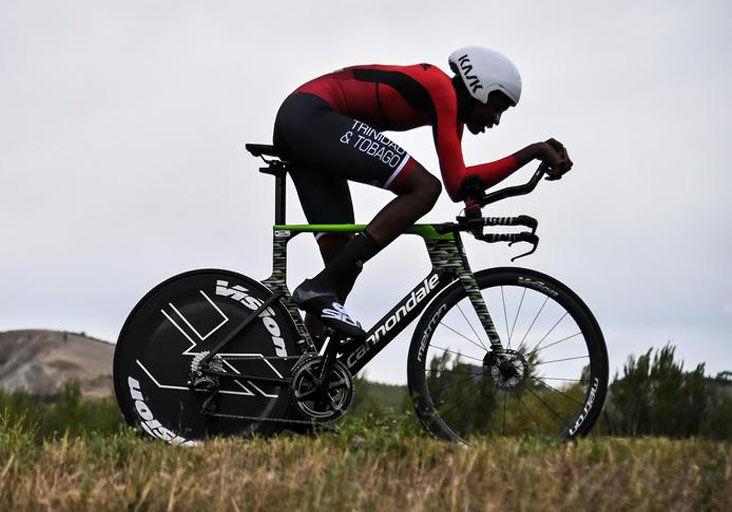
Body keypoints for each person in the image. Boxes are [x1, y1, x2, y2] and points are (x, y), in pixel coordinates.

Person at [272, 46, 573, 340]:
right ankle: (318, 287)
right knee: (425, 188)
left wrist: (473, 205)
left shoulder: (450, 111)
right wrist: (532, 152)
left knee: (342, 269)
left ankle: (299, 371)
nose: (495, 120)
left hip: (307, 124)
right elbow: (453, 182)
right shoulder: (439, 86)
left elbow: (461, 185)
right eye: (497, 107)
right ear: (480, 88)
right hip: (311, 116)